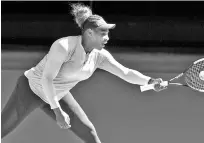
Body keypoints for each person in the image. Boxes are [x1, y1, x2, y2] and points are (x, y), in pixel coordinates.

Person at [1, 2, 167, 143]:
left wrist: (150, 81)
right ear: (89, 33)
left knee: (90, 134)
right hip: (31, 90)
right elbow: (47, 79)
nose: (107, 38)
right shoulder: (63, 46)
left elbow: (125, 73)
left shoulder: (100, 56)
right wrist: (58, 112)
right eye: (103, 33)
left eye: (108, 33)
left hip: (58, 94)